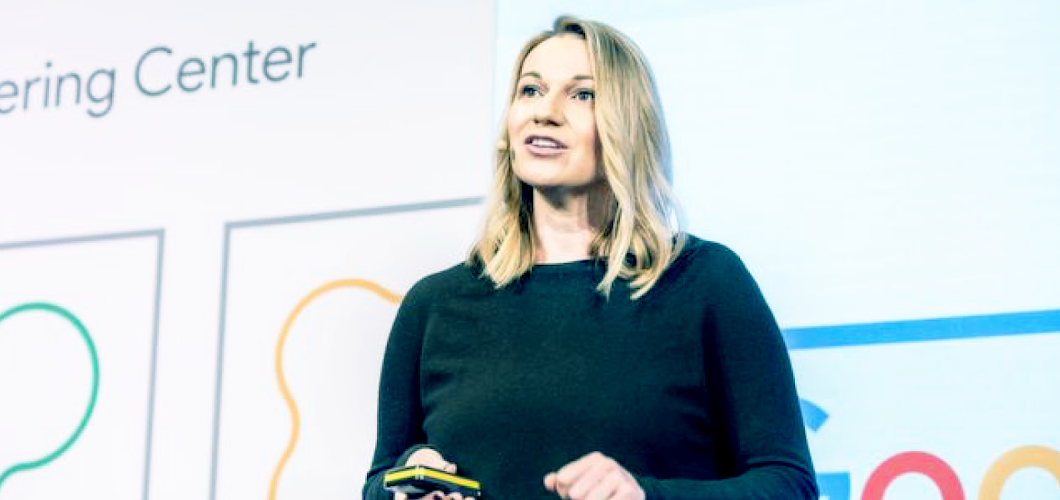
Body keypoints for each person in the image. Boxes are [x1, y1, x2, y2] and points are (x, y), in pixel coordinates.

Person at [363, 15, 818, 500]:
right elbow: (379, 479)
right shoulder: (433, 304)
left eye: (582, 95)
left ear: (626, 125)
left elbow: (787, 484)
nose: (545, 112)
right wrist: (407, 481)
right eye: (531, 91)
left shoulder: (704, 282)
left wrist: (645, 496)